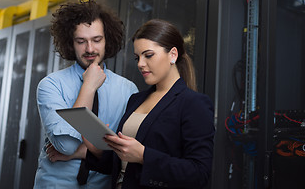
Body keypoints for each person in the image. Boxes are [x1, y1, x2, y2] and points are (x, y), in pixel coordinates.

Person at [84, 19, 215, 189]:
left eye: (149, 55)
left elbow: (199, 173)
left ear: (173, 55)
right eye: (137, 57)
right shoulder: (136, 99)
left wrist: (144, 155)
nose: (140, 64)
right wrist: (98, 148)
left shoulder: (194, 103)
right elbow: (124, 165)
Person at [33, 0, 138, 189]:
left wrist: (82, 151)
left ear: (108, 40)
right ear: (70, 43)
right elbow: (66, 145)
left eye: (97, 40)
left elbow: (126, 155)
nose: (90, 49)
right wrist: (88, 87)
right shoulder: (51, 85)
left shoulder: (128, 90)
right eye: (81, 41)